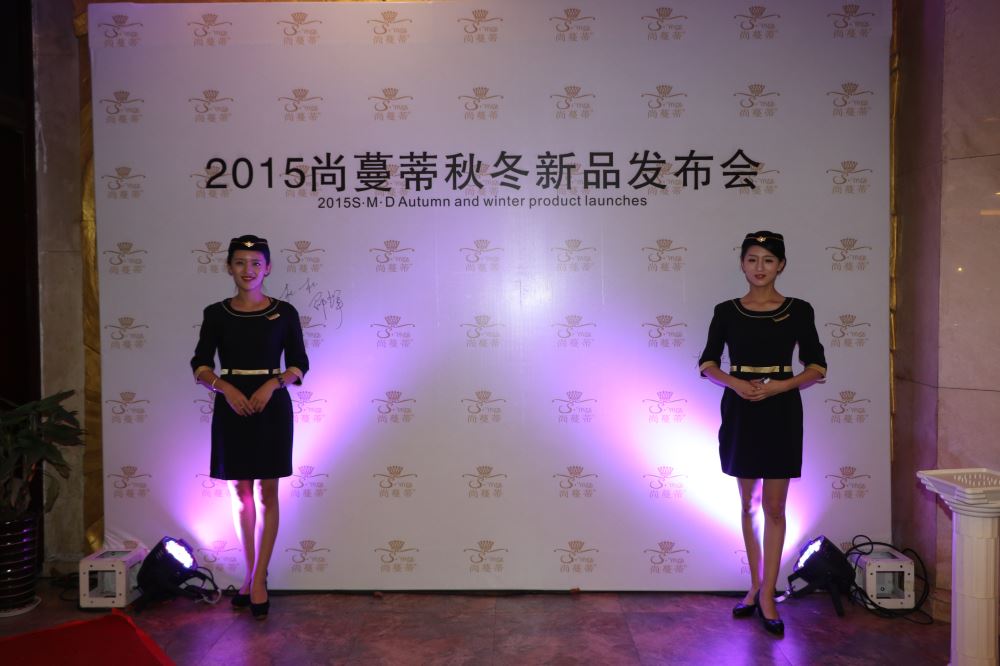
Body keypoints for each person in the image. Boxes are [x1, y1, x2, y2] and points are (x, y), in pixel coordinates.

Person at [697, 231, 826, 637]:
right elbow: (707, 362)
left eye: (768, 260)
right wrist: (735, 384)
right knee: (749, 504)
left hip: (781, 409)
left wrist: (779, 387)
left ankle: (769, 592)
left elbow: (816, 366)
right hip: (740, 409)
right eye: (752, 259)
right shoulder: (726, 311)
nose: (759, 267)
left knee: (774, 507)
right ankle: (754, 586)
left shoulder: (798, 309)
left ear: (781, 265)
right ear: (742, 263)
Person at [190, 235, 309, 620]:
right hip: (232, 406)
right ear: (229, 267)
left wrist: (272, 385)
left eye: (256, 263)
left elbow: (300, 363)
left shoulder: (284, 312)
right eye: (240, 262)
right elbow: (200, 363)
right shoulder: (216, 313)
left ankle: (258, 580)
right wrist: (224, 388)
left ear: (267, 268)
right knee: (240, 493)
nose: (248, 270)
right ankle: (250, 574)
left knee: (267, 493)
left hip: (271, 406)